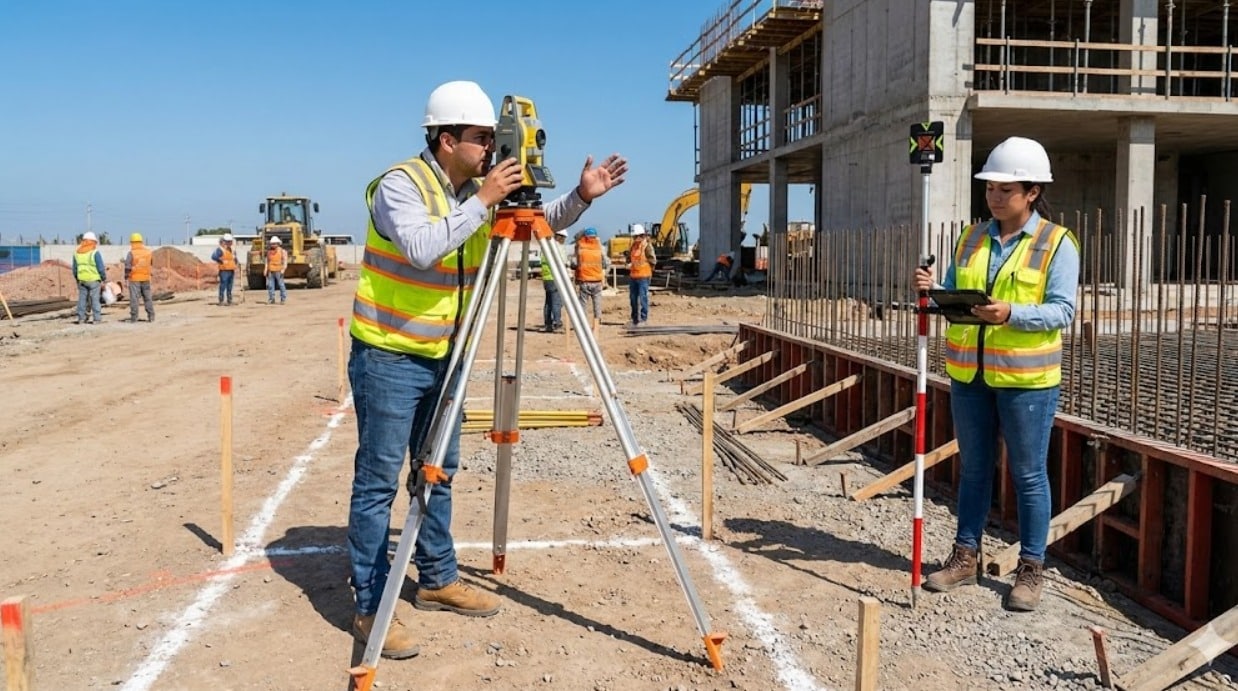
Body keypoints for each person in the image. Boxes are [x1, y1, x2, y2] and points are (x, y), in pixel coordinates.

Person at [346, 79, 627, 659]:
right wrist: (482, 201)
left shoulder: (479, 190)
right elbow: (422, 247)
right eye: (482, 139)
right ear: (446, 139)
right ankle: (371, 606)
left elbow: (538, 221)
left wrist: (582, 196)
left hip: (447, 356)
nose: (492, 150)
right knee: (378, 483)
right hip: (390, 356)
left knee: (439, 472)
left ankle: (437, 579)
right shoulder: (400, 185)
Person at [914, 136, 1079, 612]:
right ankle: (965, 556)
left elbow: (1063, 311)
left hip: (1027, 383)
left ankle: (1031, 568)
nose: (995, 197)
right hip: (970, 376)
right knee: (974, 469)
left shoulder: (1057, 243)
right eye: (990, 188)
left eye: (1006, 189)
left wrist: (1011, 314)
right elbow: (956, 292)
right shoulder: (971, 237)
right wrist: (934, 288)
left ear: (1032, 192)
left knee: (1028, 475)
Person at [572, 227, 609, 334]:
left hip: (584, 280)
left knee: (583, 304)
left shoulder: (580, 247)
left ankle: (583, 325)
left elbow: (574, 263)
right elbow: (606, 263)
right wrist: (602, 273)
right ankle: (596, 326)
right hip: (597, 281)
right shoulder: (600, 248)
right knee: (597, 304)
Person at [73, 231, 106, 324]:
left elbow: (74, 268)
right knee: (95, 299)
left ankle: (81, 318)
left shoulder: (77, 253)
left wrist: (77, 278)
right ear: (93, 241)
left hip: (81, 280)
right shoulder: (95, 252)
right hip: (94, 280)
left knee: (82, 300)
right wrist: (103, 278)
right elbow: (100, 267)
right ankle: (96, 319)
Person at [541, 228, 569, 332]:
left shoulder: (545, 247)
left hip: (547, 278)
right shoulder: (558, 247)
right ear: (561, 237)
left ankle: (548, 324)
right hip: (555, 277)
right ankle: (557, 323)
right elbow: (563, 261)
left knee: (548, 302)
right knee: (557, 301)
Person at [627, 223, 656, 326]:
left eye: (636, 236)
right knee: (633, 298)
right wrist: (629, 264)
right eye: (634, 236)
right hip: (634, 276)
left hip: (644, 276)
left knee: (643, 298)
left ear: (641, 235)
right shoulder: (633, 246)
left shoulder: (647, 246)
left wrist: (648, 271)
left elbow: (653, 261)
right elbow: (630, 258)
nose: (635, 238)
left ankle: (643, 319)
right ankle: (634, 319)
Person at [124, 232, 155, 322]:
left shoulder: (131, 253)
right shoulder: (148, 252)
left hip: (134, 279)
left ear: (132, 242)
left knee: (134, 299)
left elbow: (127, 267)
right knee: (147, 298)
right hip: (146, 278)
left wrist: (126, 277)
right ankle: (151, 316)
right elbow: (151, 263)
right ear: (141, 241)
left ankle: (134, 317)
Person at [211, 233, 238, 306]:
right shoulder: (220, 249)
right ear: (224, 241)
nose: (230, 243)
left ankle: (229, 300)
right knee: (223, 286)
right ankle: (221, 300)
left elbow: (234, 258)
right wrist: (220, 261)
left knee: (230, 286)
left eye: (231, 241)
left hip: (231, 270)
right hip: (224, 271)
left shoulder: (232, 249)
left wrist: (236, 262)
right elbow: (213, 257)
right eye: (228, 241)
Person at [264, 236, 288, 304]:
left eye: (274, 243)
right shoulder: (269, 252)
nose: (273, 245)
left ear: (278, 244)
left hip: (279, 271)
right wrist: (265, 269)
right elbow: (267, 261)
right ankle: (271, 299)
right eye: (272, 244)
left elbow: (285, 261)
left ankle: (283, 299)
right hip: (270, 271)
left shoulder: (282, 251)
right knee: (270, 286)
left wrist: (283, 269)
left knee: (281, 285)